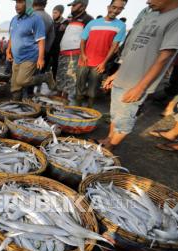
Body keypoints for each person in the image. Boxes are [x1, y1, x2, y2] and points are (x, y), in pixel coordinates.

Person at [100, 0, 178, 150]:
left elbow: (165, 57)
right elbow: (133, 49)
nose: (147, 1)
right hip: (124, 76)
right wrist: (117, 73)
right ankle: (107, 140)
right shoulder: (152, 15)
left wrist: (140, 87)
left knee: (124, 121)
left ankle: (109, 149)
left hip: (137, 82)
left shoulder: (175, 18)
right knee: (116, 115)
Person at [75, 0, 127, 107]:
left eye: (119, 8)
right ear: (108, 7)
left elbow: (114, 46)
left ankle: (89, 111)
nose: (115, 10)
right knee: (79, 88)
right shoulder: (92, 23)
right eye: (114, 7)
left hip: (99, 64)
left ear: (122, 10)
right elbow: (83, 41)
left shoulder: (121, 26)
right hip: (84, 61)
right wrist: (83, 55)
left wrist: (104, 63)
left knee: (92, 91)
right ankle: (76, 110)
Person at [7, 0, 56, 101]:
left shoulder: (36, 19)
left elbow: (41, 39)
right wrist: (8, 50)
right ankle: (15, 104)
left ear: (28, 3)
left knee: (22, 81)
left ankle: (45, 77)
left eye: (21, 2)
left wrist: (41, 58)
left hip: (29, 56)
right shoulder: (14, 19)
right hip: (17, 57)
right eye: (16, 3)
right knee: (14, 85)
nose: (17, 6)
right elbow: (12, 36)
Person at [56, 0, 93, 104]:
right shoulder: (70, 18)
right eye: (71, 5)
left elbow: (88, 38)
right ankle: (58, 95)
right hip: (63, 51)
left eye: (74, 5)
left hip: (75, 52)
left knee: (70, 75)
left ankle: (65, 98)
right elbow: (62, 28)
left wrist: (83, 53)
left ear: (83, 7)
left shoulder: (88, 19)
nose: (72, 7)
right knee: (60, 74)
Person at [32, 0, 55, 68]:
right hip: (43, 53)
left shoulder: (31, 16)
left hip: (29, 54)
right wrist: (45, 51)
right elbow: (52, 37)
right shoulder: (49, 18)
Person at [48, 5, 68, 80]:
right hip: (50, 48)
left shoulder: (65, 23)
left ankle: (55, 82)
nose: (53, 14)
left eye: (55, 13)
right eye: (53, 13)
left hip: (59, 49)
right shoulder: (51, 22)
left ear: (61, 13)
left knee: (56, 66)